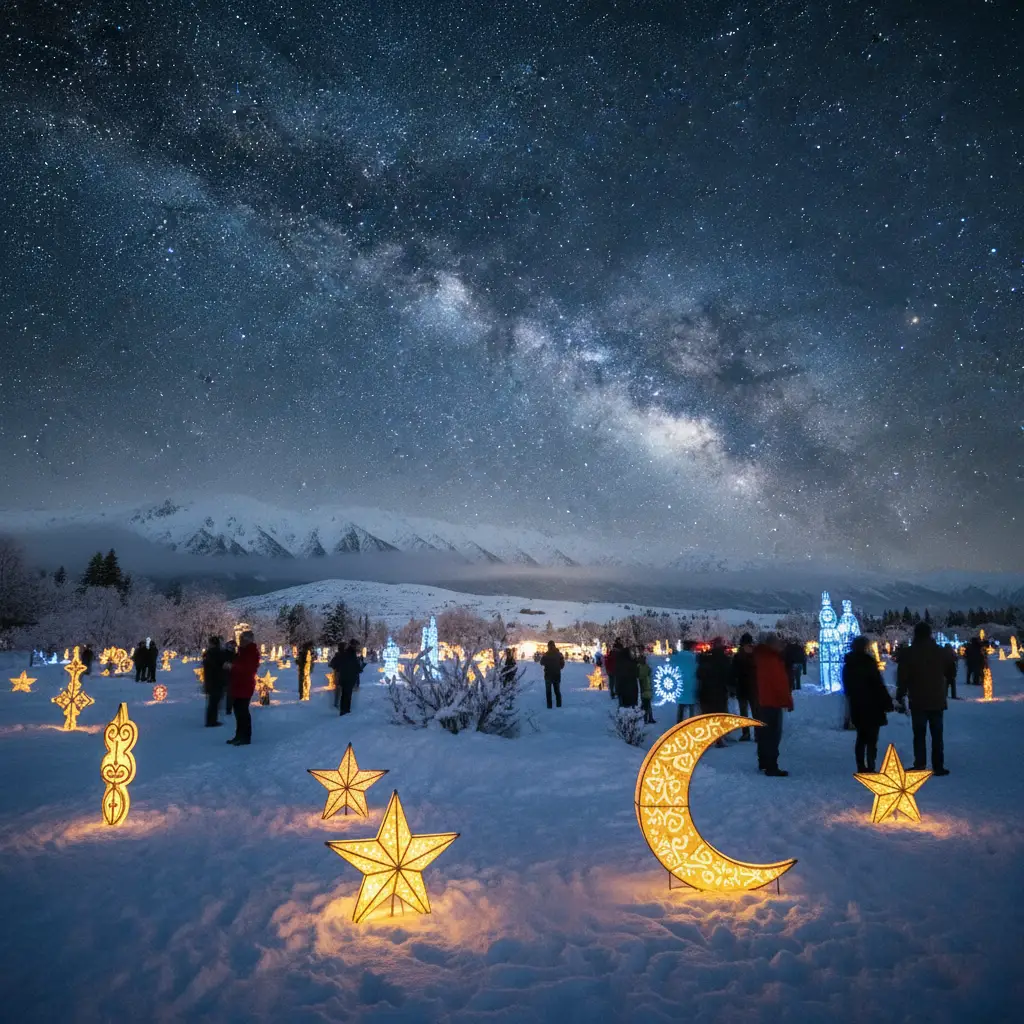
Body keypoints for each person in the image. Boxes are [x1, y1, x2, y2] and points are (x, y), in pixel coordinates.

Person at [896, 621, 949, 774]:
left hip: (918, 698)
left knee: (919, 734)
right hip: (937, 698)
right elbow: (949, 668)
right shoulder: (939, 651)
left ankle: (920, 763)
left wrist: (901, 694)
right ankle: (938, 765)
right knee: (937, 734)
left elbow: (903, 677)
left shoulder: (909, 653)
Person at [842, 635, 893, 772]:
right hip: (873, 704)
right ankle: (871, 765)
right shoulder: (869, 663)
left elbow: (847, 687)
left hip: (857, 704)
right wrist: (886, 701)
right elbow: (878, 684)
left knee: (861, 737)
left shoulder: (848, 665)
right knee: (872, 738)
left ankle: (860, 765)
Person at [753, 634, 793, 776]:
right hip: (772, 701)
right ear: (772, 645)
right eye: (779, 644)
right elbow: (779, 683)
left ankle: (763, 761)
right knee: (773, 735)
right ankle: (771, 766)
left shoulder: (759, 657)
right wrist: (787, 701)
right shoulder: (772, 660)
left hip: (761, 700)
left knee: (764, 734)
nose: (781, 646)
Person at [227, 630, 260, 745]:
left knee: (243, 712)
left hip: (245, 685)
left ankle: (245, 737)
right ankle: (239, 735)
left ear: (247, 640)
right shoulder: (242, 652)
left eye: (242, 639)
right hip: (238, 684)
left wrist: (233, 667)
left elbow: (248, 669)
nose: (240, 641)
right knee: (238, 712)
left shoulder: (251, 652)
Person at [730, 633, 757, 740]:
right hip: (752, 688)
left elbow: (733, 672)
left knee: (745, 713)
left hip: (743, 688)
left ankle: (747, 733)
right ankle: (757, 734)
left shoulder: (738, 656)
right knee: (754, 712)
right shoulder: (755, 656)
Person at [330, 639, 363, 716]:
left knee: (345, 694)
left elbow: (335, 664)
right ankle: (345, 711)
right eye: (356, 645)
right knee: (347, 695)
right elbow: (354, 666)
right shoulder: (350, 654)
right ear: (353, 645)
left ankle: (344, 710)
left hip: (344, 677)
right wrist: (359, 669)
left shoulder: (346, 653)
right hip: (348, 677)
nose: (356, 647)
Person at [671, 641, 699, 723]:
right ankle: (691, 723)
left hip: (681, 684)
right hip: (691, 684)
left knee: (681, 705)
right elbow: (697, 669)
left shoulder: (678, 656)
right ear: (691, 647)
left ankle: (679, 722)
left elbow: (672, 664)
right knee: (691, 705)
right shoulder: (694, 657)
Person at [202, 636, 227, 727]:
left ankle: (211, 720)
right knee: (214, 702)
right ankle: (211, 721)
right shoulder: (217, 653)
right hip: (217, 680)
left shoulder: (208, 653)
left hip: (210, 680)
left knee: (212, 702)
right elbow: (221, 666)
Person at [540, 640, 565, 709]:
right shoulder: (559, 654)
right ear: (554, 645)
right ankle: (559, 706)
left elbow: (541, 663)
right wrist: (558, 668)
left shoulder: (546, 654)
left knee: (548, 692)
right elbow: (562, 664)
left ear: (548, 646)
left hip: (548, 675)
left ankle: (549, 706)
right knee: (557, 691)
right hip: (556, 675)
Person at [637, 652, 655, 723]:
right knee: (646, 704)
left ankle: (648, 718)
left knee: (646, 704)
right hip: (645, 688)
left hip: (646, 688)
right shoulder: (644, 667)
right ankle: (648, 718)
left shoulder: (642, 667)